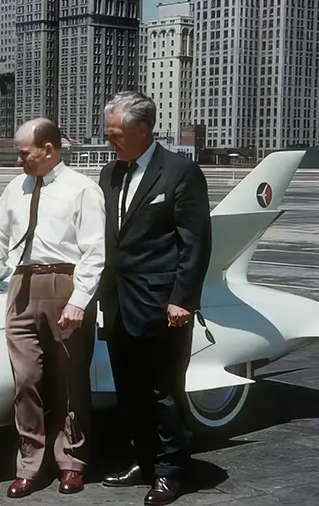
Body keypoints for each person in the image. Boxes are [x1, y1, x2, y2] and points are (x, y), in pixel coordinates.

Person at [0, 118, 106, 498]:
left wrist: (79, 300)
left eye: (23, 152)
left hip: (66, 283)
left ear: (49, 150)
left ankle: (72, 462)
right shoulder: (15, 188)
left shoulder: (83, 190)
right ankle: (30, 464)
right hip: (22, 286)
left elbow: (95, 251)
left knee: (68, 380)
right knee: (26, 380)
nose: (19, 160)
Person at [97, 91, 212, 506]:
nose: (110, 142)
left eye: (115, 135)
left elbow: (194, 244)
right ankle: (143, 460)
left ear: (143, 130)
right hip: (117, 303)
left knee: (164, 392)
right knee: (129, 390)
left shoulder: (180, 172)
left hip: (163, 305)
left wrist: (183, 298)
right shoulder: (110, 172)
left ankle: (172, 470)